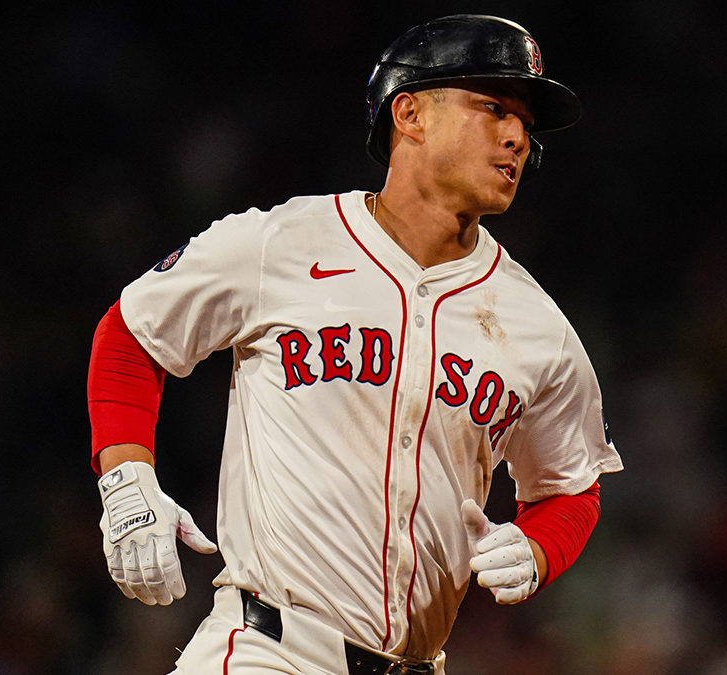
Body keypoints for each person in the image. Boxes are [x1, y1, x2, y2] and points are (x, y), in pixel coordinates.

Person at [87, 14, 623, 675]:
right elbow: (133, 332)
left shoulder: (537, 324)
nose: (517, 136)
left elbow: (572, 484)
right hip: (270, 650)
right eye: (493, 107)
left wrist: (538, 548)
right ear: (410, 114)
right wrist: (127, 476)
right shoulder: (281, 242)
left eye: (525, 123)